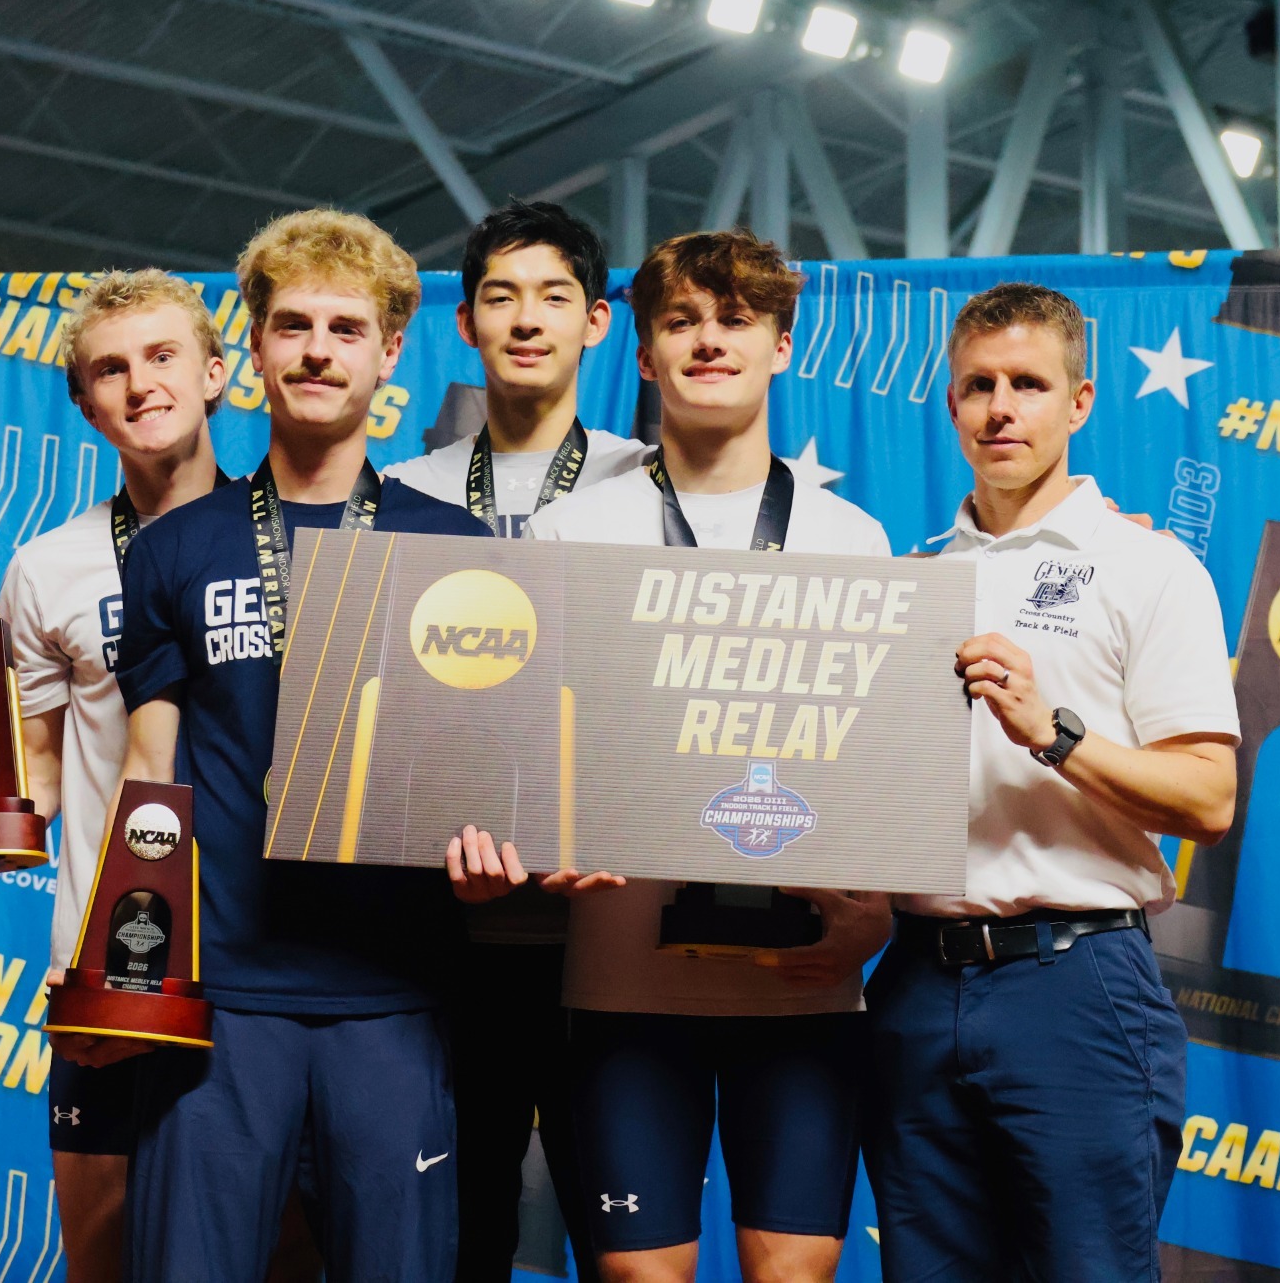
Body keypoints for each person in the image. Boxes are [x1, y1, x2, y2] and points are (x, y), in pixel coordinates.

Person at [453, 229, 894, 1283]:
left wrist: (873, 912)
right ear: (643, 354)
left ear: (780, 345)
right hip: (621, 983)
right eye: (680, 322)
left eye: (734, 320)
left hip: (801, 985)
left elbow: (879, 771)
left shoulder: (853, 539)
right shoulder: (569, 532)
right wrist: (525, 846)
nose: (708, 341)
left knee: (791, 1272)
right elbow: (524, 748)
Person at [112, 209, 491, 1283]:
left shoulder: (455, 550)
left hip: (392, 994)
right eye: (291, 326)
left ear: (388, 355)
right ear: (254, 351)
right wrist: (132, 975)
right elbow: (150, 783)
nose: (317, 350)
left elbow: (477, 769)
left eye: (344, 328)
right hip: (222, 993)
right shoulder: (177, 547)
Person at [863, 282, 1239, 1281]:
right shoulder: (904, 578)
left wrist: (1053, 733)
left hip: (1070, 976)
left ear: (1078, 401)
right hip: (911, 975)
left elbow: (1207, 797)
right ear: (948, 405)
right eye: (977, 385)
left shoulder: (1148, 568)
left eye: (1027, 384)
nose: (999, 408)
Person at [0, 268, 229, 1283]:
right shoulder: (50, 565)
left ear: (215, 373)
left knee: (278, 1254)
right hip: (105, 961)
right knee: (103, 1253)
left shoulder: (289, 540)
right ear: (84, 404)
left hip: (260, 963)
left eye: (163, 356)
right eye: (109, 369)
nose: (141, 384)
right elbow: (34, 768)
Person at [386, 199, 644, 1279]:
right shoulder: (399, 498)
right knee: (456, 1244)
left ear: (596, 323)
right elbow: (384, 719)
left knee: (628, 1247)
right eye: (499, 297)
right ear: (464, 324)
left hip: (616, 951)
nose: (525, 320)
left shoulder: (654, 488)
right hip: (447, 950)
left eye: (552, 297)